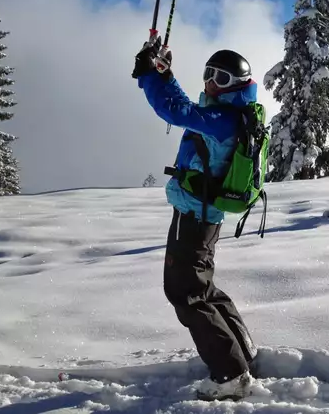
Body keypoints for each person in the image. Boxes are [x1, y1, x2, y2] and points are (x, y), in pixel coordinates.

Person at [132, 40, 258, 400]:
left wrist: (149, 75)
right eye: (208, 73)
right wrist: (164, 73)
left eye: (221, 76)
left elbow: (176, 111)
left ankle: (230, 373)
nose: (211, 82)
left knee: (184, 292)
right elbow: (186, 108)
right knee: (202, 288)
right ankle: (242, 355)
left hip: (195, 216)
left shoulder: (222, 119)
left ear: (237, 83)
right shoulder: (229, 115)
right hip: (202, 214)